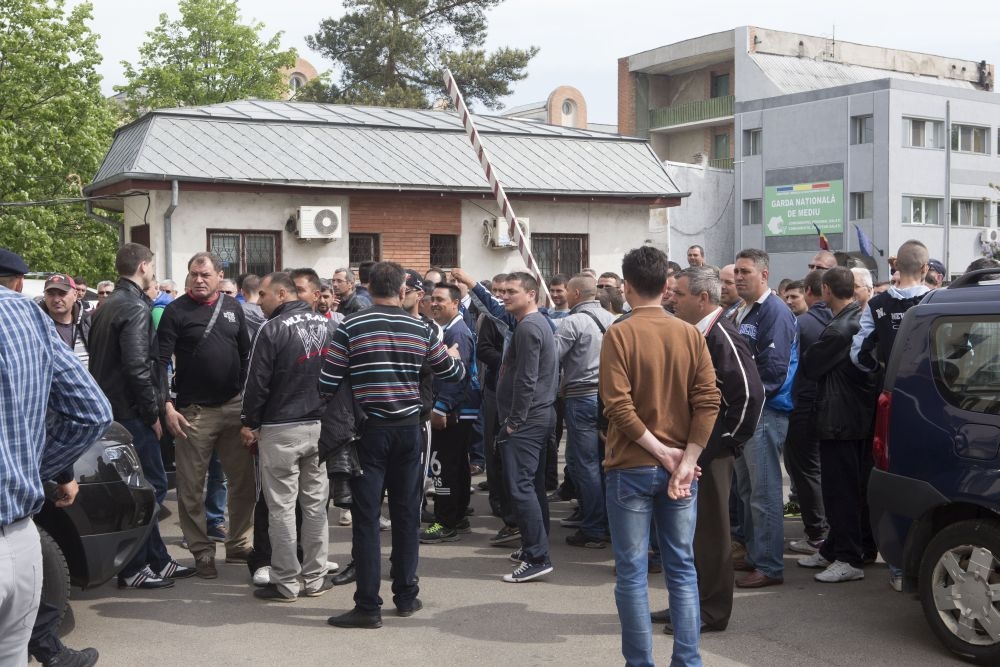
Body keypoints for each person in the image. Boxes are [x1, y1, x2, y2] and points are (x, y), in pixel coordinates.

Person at [320, 261, 464, 628]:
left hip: (368, 432)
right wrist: (454, 359)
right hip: (409, 432)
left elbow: (327, 381)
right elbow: (452, 374)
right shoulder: (421, 328)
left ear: (367, 289)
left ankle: (368, 606)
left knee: (367, 520)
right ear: (403, 291)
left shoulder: (350, 326)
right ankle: (406, 596)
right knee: (406, 515)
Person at [600, 246, 720, 667]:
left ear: (627, 287)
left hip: (632, 466)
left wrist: (665, 454)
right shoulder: (690, 334)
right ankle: (688, 661)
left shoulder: (619, 333)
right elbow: (709, 401)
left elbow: (617, 406)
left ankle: (640, 663)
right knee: (682, 570)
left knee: (632, 574)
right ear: (668, 286)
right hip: (678, 470)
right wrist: (685, 459)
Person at [0, 249, 109, 667]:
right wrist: (32, 467)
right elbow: (93, 412)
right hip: (21, 537)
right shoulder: (29, 317)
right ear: (16, 283)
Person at [657, 266, 764, 634]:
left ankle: (712, 612)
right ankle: (686, 604)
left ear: (703, 298)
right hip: (693, 447)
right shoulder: (696, 332)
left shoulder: (721, 334)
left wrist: (727, 442)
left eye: (679, 293)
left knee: (710, 533)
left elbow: (751, 394)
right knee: (686, 532)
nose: (671, 299)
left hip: (711, 451)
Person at [88, 243, 194, 589]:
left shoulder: (108, 305)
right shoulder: (132, 306)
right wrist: (152, 413)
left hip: (114, 409)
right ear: (145, 267)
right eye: (152, 267)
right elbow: (137, 366)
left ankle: (157, 560)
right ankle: (134, 567)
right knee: (149, 489)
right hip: (131, 414)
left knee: (144, 488)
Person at [158, 252, 255, 579]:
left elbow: (246, 355)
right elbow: (159, 363)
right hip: (192, 414)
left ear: (219, 276)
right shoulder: (175, 311)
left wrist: (245, 402)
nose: (199, 280)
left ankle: (239, 543)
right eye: (194, 274)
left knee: (243, 484)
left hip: (232, 408)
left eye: (205, 274)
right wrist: (167, 407)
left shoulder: (232, 308)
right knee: (190, 489)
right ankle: (201, 552)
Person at [241, 272, 333, 601]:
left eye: (263, 295)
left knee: (280, 507)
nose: (259, 301)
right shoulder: (330, 325)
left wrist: (249, 421)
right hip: (321, 426)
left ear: (282, 294)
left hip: (282, 427)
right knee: (315, 506)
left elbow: (256, 382)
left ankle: (287, 581)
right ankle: (316, 577)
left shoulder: (272, 328)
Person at [798, 268, 877, 583]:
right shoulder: (856, 319)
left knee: (840, 492)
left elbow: (810, 364)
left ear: (826, 289)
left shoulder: (843, 327)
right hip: (850, 417)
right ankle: (841, 549)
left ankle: (848, 557)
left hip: (841, 419)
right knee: (851, 489)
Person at [732, 248, 798, 589]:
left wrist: (743, 398)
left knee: (765, 492)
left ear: (763, 275)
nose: (739, 277)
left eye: (745, 271)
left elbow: (773, 371)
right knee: (746, 490)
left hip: (764, 412)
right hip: (745, 413)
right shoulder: (742, 310)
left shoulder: (775, 312)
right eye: (737, 271)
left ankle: (770, 565)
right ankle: (756, 554)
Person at [495, 272, 560, 582]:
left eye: (512, 291)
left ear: (532, 294)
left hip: (529, 420)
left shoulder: (530, 326)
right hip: (535, 417)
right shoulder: (530, 324)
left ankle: (537, 556)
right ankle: (534, 544)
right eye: (503, 291)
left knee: (521, 488)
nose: (505, 296)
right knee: (531, 486)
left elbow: (527, 378)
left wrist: (515, 422)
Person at [554, 274, 616, 548]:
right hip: (611, 398)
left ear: (576, 294)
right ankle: (609, 521)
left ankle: (594, 526)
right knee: (607, 463)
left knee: (585, 464)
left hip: (582, 397)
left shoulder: (573, 321)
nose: (565, 295)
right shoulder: (614, 320)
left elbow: (550, 356)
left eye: (567, 290)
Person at [420, 283, 480, 543]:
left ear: (455, 303)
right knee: (456, 466)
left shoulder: (458, 332)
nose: (434, 303)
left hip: (453, 411)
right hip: (456, 409)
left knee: (443, 466)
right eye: (432, 299)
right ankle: (457, 516)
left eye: (440, 299)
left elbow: (457, 375)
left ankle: (445, 522)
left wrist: (441, 407)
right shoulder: (447, 329)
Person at [784, 270, 832, 556]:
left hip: (803, 404)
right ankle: (821, 529)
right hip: (825, 406)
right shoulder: (837, 319)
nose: (791, 300)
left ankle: (817, 532)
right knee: (817, 470)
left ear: (811, 293)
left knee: (805, 471)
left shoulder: (802, 325)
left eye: (796, 295)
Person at [40, 274, 91, 364]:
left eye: (62, 293)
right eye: (50, 294)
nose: (56, 299)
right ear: (44, 296)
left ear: (75, 295)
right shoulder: (35, 326)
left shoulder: (88, 323)